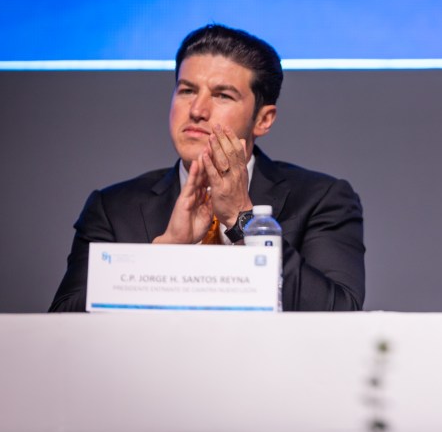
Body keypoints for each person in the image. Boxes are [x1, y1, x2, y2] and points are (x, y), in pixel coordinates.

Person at [50, 24, 365, 312]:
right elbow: (62, 322)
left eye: (223, 95)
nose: (197, 111)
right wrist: (163, 255)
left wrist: (243, 219)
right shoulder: (113, 208)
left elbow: (340, 313)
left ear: (263, 119)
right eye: (187, 90)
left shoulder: (321, 199)